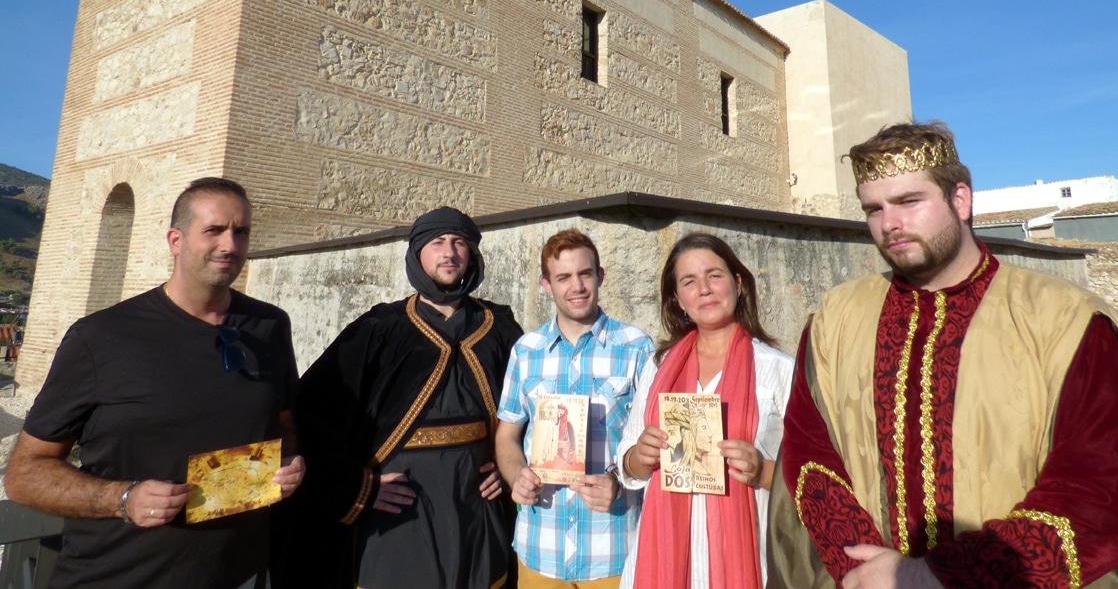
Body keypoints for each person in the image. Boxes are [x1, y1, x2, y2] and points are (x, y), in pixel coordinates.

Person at [768, 121, 1118, 588]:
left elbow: (1104, 482)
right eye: (873, 209)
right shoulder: (836, 319)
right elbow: (808, 453)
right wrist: (865, 568)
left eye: (909, 202)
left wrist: (939, 575)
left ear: (960, 200)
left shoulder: (1063, 319)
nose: (889, 224)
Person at [5, 177, 305, 589]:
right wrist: (123, 499)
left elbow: (285, 423)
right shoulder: (101, 337)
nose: (231, 245)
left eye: (241, 232)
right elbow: (24, 475)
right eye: (214, 230)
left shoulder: (271, 325)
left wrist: (289, 465)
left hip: (238, 574)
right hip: (118, 576)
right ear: (176, 240)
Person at [293, 206, 522, 589]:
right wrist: (358, 487)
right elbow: (313, 410)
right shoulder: (380, 329)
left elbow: (534, 409)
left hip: (476, 506)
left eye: (459, 242)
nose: (449, 253)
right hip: (400, 509)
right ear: (417, 254)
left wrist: (510, 466)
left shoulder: (499, 329)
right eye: (437, 242)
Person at [617, 233, 793, 589]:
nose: (704, 289)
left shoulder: (777, 369)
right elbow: (626, 461)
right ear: (679, 300)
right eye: (689, 281)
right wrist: (640, 455)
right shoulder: (659, 366)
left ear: (738, 284)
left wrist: (761, 471)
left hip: (749, 557)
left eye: (714, 275)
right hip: (661, 558)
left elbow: (813, 474)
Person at [495, 229, 654, 588]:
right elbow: (507, 435)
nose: (576, 286)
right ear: (546, 285)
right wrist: (516, 476)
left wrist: (619, 482)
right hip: (540, 549)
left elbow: (652, 440)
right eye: (563, 277)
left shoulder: (637, 347)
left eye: (585, 274)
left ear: (600, 276)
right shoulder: (526, 350)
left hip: (613, 549)